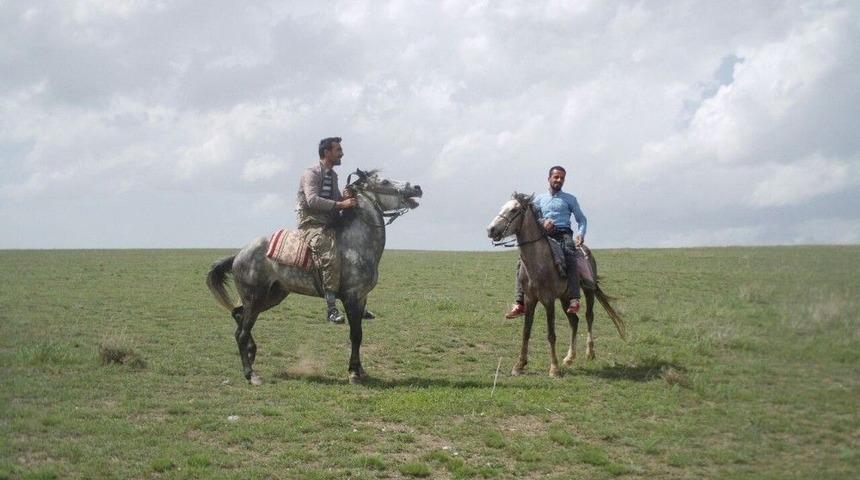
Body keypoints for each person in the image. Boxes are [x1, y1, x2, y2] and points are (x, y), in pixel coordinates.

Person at [505, 165, 587, 318]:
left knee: (570, 256)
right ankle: (519, 303)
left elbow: (581, 219)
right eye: (556, 177)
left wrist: (581, 233)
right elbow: (534, 217)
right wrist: (543, 222)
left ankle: (574, 299)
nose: (559, 180)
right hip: (543, 235)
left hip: (563, 234)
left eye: (562, 178)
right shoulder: (538, 199)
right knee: (521, 261)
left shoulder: (570, 199)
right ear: (549, 178)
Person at [297, 137, 357, 324]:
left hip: (330, 223)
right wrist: (341, 203)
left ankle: (356, 302)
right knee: (331, 257)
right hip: (312, 225)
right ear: (327, 152)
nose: (342, 153)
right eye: (338, 150)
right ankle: (331, 310)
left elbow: (335, 200)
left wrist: (345, 197)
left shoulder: (332, 175)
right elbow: (312, 200)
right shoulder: (311, 173)